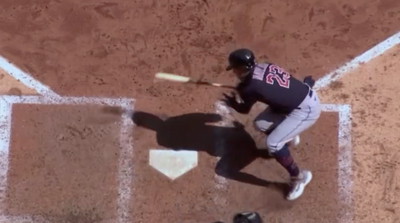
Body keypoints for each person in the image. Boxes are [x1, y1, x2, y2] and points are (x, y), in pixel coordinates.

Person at [222, 48, 321, 200]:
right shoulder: (265, 66)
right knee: (260, 124)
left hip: (305, 110)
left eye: (234, 68)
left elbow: (244, 109)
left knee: (273, 143)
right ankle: (289, 135)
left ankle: (299, 177)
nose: (233, 72)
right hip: (300, 97)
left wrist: (233, 102)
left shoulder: (249, 88)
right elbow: (283, 86)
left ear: (242, 68)